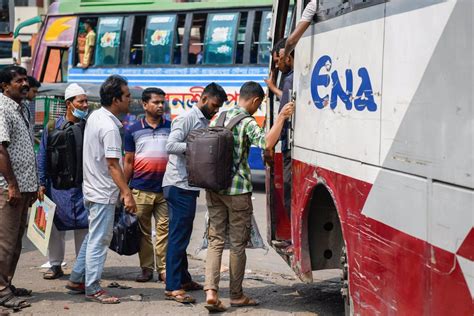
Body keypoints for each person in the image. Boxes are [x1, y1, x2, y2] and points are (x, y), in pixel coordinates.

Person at [203, 81, 294, 312]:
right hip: (238, 191)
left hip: (214, 188)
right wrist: (282, 116)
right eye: (259, 104)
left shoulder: (219, 116)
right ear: (254, 100)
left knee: (215, 242)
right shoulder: (246, 122)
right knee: (236, 245)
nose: (258, 108)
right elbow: (267, 142)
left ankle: (211, 292)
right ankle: (236, 295)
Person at [66, 75, 137, 304]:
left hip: (93, 189)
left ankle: (77, 278)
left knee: (93, 235)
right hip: (103, 193)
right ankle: (93, 288)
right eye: (127, 96)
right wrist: (127, 193)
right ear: (116, 100)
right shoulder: (109, 127)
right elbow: (113, 164)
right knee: (100, 239)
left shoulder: (96, 116)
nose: (130, 100)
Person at [162, 82, 227, 304]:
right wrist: (196, 148)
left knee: (182, 234)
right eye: (214, 105)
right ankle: (172, 286)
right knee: (178, 237)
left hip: (186, 186)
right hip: (178, 184)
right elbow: (171, 145)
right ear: (204, 98)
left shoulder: (200, 120)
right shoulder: (186, 118)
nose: (215, 110)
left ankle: (184, 278)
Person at [37, 83, 89, 280]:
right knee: (55, 226)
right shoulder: (52, 128)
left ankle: (82, 267)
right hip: (57, 187)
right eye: (81, 101)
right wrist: (41, 183)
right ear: (69, 103)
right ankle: (55, 264)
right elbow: (42, 156)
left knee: (84, 227)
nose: (85, 105)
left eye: (86, 101)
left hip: (83, 185)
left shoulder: (89, 126)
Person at [123, 88, 171, 283]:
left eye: (162, 102)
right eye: (156, 102)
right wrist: (124, 190)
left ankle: (164, 270)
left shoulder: (171, 127)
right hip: (141, 189)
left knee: (164, 232)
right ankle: (146, 269)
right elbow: (128, 162)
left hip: (165, 189)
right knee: (143, 233)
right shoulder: (132, 130)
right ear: (144, 105)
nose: (160, 106)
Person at [0, 66, 38, 310]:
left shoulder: (22, 108)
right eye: (18, 81)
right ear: (4, 86)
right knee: (4, 241)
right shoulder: (2, 108)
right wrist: (13, 184)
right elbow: (0, 150)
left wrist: (33, 185)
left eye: (25, 80)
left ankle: (7, 284)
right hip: (8, 188)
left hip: (24, 187)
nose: (24, 84)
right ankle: (1, 291)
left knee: (15, 241)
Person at [277, 44, 294, 215]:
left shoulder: (289, 79)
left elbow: (283, 114)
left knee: (289, 193)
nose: (277, 64)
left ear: (288, 58)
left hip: (289, 146)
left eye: (280, 59)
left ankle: (293, 238)